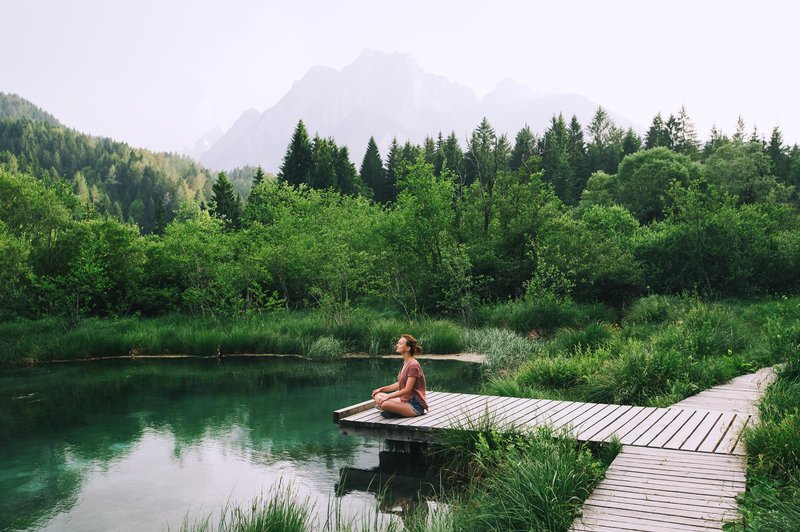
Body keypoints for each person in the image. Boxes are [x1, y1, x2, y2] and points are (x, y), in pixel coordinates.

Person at [371, 334, 428, 417]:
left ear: (407, 348)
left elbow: (407, 390)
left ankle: (390, 409)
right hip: (404, 400)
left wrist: (388, 397)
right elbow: (399, 384)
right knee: (377, 395)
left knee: (384, 404)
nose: (397, 345)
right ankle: (392, 410)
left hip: (415, 405)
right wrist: (381, 389)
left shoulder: (413, 365)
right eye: (398, 343)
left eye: (400, 343)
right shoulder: (405, 362)